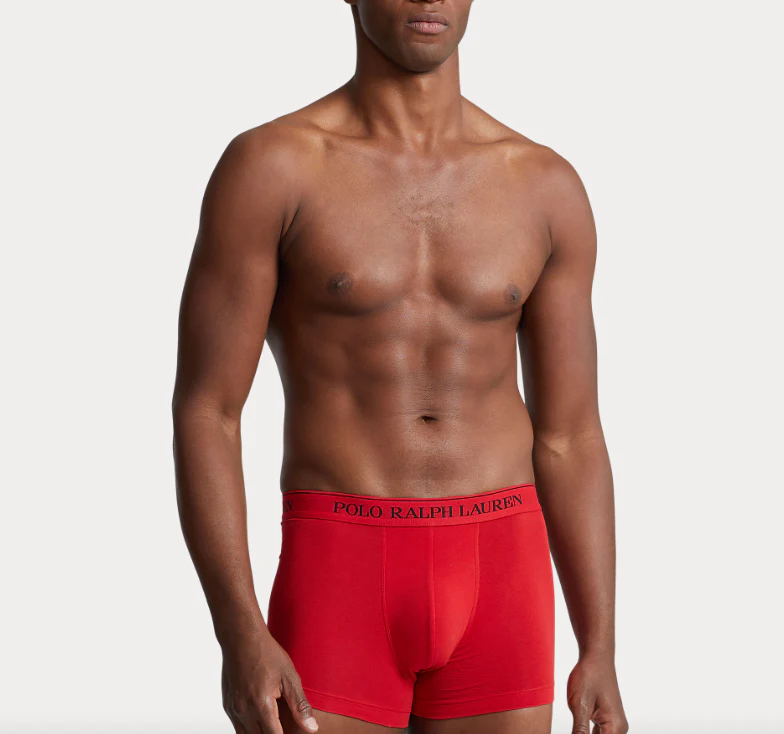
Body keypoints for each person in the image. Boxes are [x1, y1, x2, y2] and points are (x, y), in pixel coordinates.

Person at [172, 2, 629, 733]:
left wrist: (599, 644)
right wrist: (238, 629)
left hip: (502, 569)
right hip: (339, 568)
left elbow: (571, 435)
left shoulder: (545, 186)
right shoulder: (272, 168)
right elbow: (208, 410)